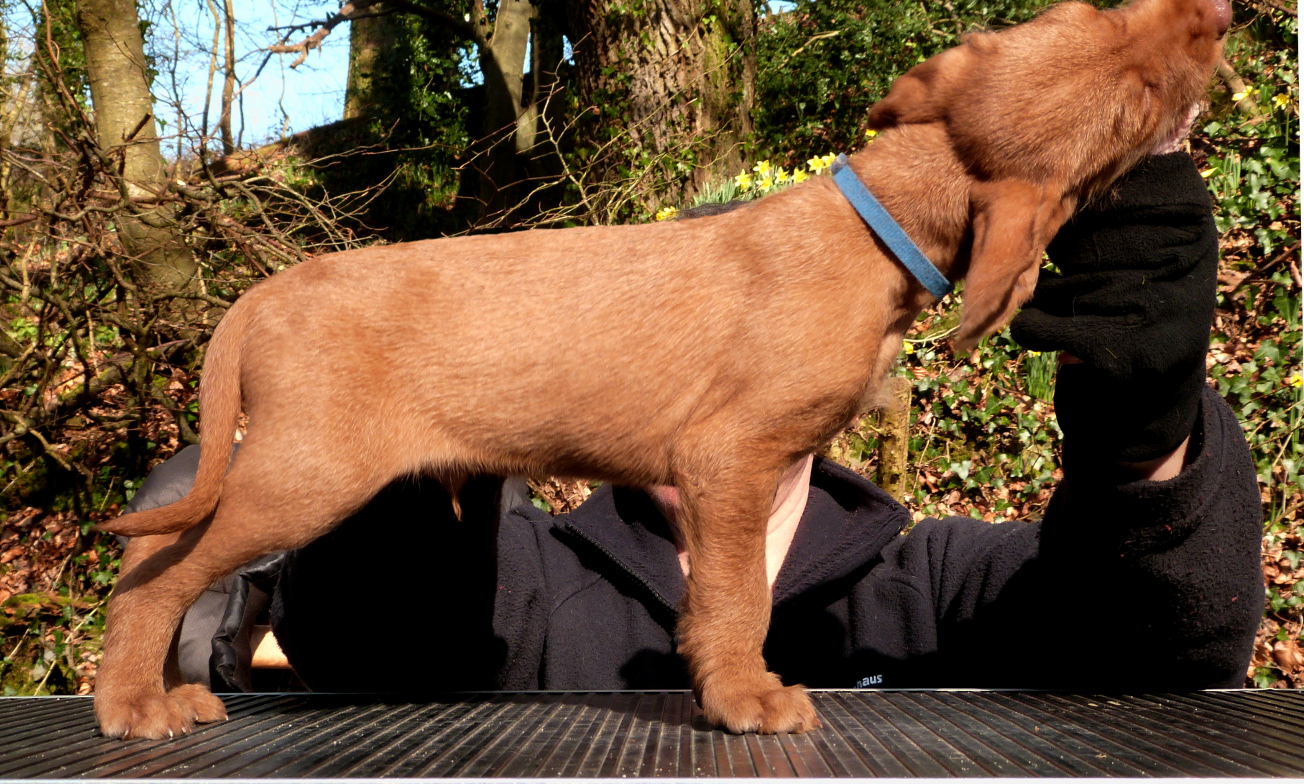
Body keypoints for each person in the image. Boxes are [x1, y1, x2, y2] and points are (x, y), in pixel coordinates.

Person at [122, 151, 1263, 696]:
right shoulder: (526, 581)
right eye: (667, 336)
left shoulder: (929, 585)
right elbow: (380, 641)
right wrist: (422, 380)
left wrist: (1142, 436)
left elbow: (1164, 644)